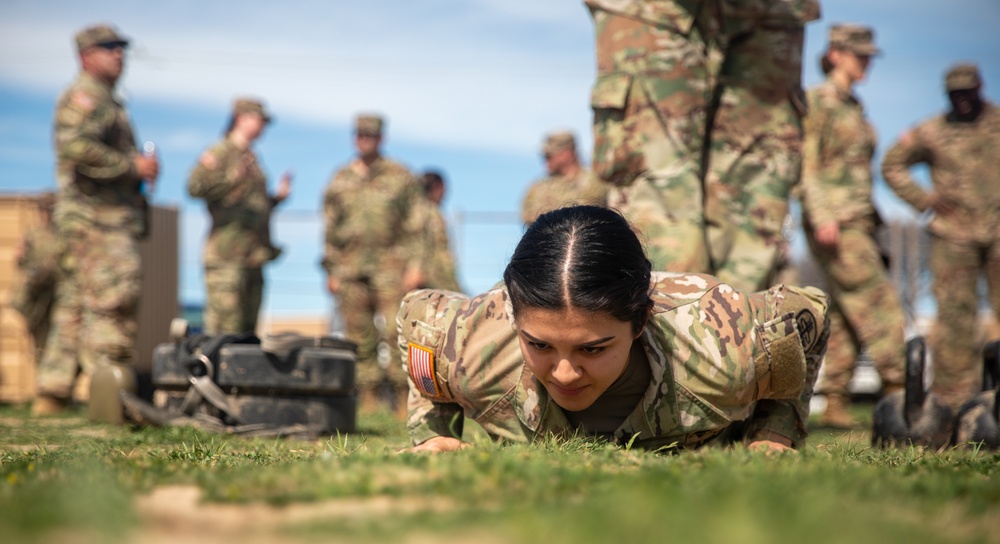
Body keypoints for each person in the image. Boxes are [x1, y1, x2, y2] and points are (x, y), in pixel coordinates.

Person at [399, 205, 830, 453]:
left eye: (592, 349)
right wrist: (432, 435)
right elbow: (418, 315)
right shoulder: (469, 344)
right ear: (513, 319)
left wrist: (776, 432)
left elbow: (809, 309)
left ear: (640, 321)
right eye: (540, 345)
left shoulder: (723, 344)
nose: (564, 374)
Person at [586, 0, 819, 292]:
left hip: (768, 11)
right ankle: (670, 326)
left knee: (755, 189)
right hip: (652, 9)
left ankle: (734, 328)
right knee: (660, 181)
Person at [33, 24, 159, 415]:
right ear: (85, 55)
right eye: (108, 48)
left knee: (74, 304)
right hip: (97, 219)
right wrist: (132, 166)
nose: (118, 54)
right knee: (114, 297)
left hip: (92, 217)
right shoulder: (87, 96)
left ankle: (51, 395)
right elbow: (75, 148)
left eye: (121, 47)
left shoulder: (108, 99)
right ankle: (109, 399)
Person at [798, 24, 905, 428]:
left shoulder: (853, 107)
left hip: (859, 219)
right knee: (878, 302)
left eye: (869, 56)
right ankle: (904, 395)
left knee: (846, 313)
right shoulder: (819, 102)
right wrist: (821, 215)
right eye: (860, 55)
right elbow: (805, 165)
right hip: (836, 222)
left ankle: (836, 402)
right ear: (836, 53)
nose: (866, 63)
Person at [881, 63, 1000, 410]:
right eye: (954, 94)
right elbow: (892, 164)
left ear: (980, 87)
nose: (962, 100)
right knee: (953, 319)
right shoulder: (933, 130)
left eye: (967, 92)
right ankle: (953, 404)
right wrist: (925, 200)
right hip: (953, 236)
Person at [322, 113, 429, 412]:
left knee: (397, 332)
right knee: (358, 335)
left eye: (371, 135)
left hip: (392, 267)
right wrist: (331, 270)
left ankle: (402, 400)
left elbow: (417, 223)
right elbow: (330, 228)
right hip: (350, 268)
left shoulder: (400, 175)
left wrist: (416, 265)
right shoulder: (340, 179)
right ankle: (367, 400)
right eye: (360, 134)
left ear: (382, 138)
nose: (365, 140)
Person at [188, 97, 291, 335]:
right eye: (259, 120)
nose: (263, 127)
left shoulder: (252, 159)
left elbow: (251, 204)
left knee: (247, 335)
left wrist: (276, 199)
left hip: (253, 257)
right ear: (241, 118)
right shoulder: (221, 152)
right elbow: (195, 187)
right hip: (227, 258)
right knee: (225, 334)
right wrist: (232, 177)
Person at [11, 193, 64, 367]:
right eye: (44, 209)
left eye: (50, 209)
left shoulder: (62, 235)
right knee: (39, 342)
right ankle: (43, 380)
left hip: (56, 297)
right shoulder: (32, 234)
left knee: (59, 341)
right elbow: (19, 260)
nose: (47, 213)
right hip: (36, 297)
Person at [520, 131, 608, 225]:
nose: (545, 160)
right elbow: (528, 219)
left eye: (550, 156)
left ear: (567, 154)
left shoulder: (597, 181)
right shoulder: (538, 188)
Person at [419, 170, 461, 292]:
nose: (445, 192)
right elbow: (439, 250)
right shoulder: (431, 214)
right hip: (435, 279)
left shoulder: (416, 212)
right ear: (437, 187)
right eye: (444, 188)